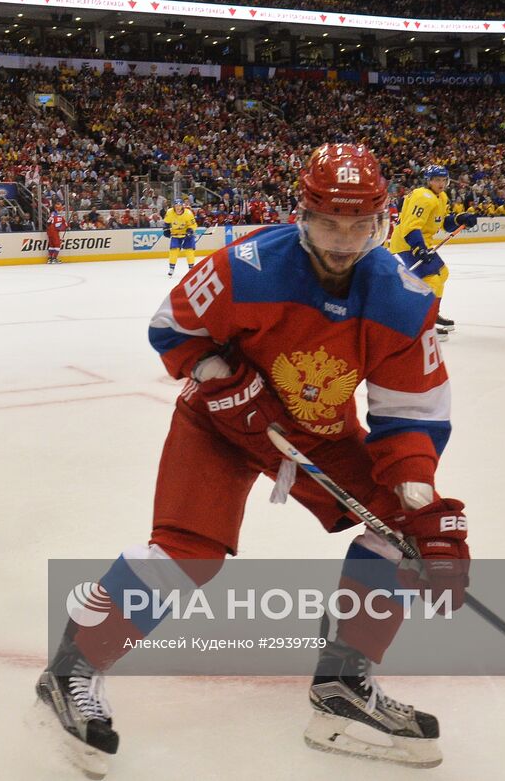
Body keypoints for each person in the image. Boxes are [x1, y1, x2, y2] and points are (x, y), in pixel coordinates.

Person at [35, 145, 469, 774]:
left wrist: (417, 503)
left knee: (400, 536)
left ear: (383, 221)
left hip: (315, 430)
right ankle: (72, 668)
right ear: (302, 214)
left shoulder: (401, 300)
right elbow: (173, 326)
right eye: (329, 222)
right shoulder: (248, 267)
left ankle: (342, 688)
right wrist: (217, 375)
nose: (344, 241)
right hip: (219, 421)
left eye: (359, 225)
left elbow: (413, 417)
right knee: (190, 554)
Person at [387, 165, 478, 338]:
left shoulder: (441, 197)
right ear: (428, 181)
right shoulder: (422, 197)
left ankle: (432, 314)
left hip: (422, 243)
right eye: (437, 180)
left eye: (444, 180)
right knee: (432, 281)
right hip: (407, 243)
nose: (441, 183)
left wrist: (461, 219)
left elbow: (443, 222)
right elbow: (410, 226)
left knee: (442, 274)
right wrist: (419, 248)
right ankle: (424, 323)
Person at [163, 198, 199, 277]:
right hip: (176, 233)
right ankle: (171, 268)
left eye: (179, 205)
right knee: (173, 250)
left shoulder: (188, 213)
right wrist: (166, 229)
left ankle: (191, 269)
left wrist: (190, 230)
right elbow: (166, 223)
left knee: (189, 251)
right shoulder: (170, 212)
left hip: (187, 234)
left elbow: (194, 225)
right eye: (176, 205)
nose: (178, 207)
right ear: (174, 206)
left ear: (182, 206)